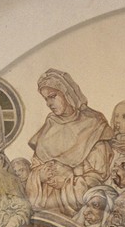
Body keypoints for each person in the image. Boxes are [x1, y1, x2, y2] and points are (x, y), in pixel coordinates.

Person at [26, 69, 113, 218]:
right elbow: (35, 167)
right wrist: (39, 175)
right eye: (46, 99)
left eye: (53, 96)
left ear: (67, 93)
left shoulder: (94, 124)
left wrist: (68, 180)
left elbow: (99, 178)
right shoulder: (50, 124)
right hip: (44, 211)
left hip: (80, 213)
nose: (49, 104)